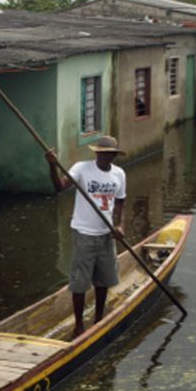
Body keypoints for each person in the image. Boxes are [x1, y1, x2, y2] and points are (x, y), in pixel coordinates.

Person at [45, 135, 126, 339]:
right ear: (96, 153)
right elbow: (60, 187)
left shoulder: (119, 174)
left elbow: (120, 202)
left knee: (103, 280)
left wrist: (119, 225)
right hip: (84, 234)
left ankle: (99, 318)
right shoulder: (82, 169)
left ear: (114, 155)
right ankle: (79, 325)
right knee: (80, 283)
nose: (105, 157)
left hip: (106, 235)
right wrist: (53, 166)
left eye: (110, 154)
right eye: (102, 153)